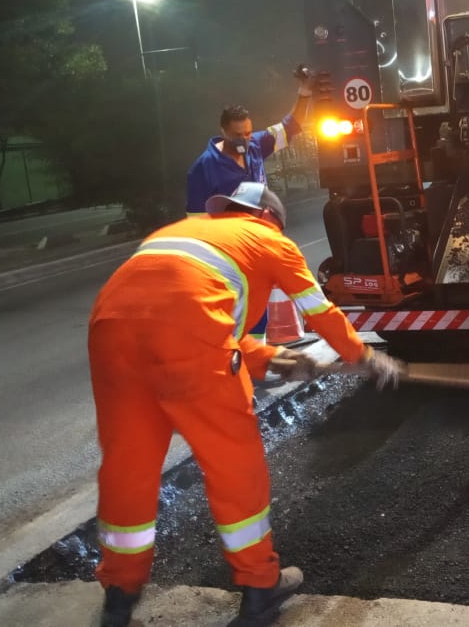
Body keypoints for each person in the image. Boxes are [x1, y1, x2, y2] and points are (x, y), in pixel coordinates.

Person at [88, 182, 403, 627]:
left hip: (110, 335)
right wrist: (365, 356)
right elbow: (320, 310)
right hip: (189, 342)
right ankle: (260, 588)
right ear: (271, 218)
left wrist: (271, 356)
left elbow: (195, 317)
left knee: (127, 470)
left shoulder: (186, 231)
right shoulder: (270, 239)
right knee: (235, 468)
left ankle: (119, 595)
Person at [185, 68, 315, 217]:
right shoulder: (203, 168)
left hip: (261, 230)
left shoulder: (257, 144)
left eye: (247, 133)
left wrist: (305, 92)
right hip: (232, 237)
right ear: (223, 132)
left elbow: (291, 126)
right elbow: (196, 219)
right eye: (237, 135)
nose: (244, 139)